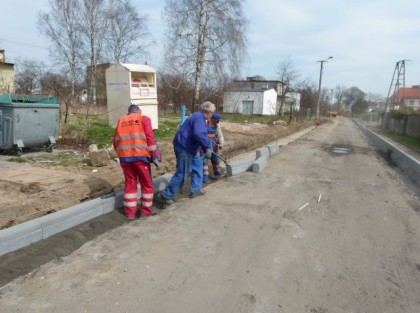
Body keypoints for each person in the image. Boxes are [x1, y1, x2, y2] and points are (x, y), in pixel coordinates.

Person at [158, 101, 215, 205]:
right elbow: (198, 133)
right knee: (182, 173)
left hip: (192, 148)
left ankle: (196, 190)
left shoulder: (200, 117)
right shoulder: (199, 117)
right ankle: (165, 195)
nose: (212, 115)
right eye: (212, 112)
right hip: (184, 147)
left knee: (198, 167)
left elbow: (201, 133)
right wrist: (207, 146)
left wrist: (204, 144)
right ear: (209, 111)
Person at [113, 104, 161, 220]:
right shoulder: (144, 119)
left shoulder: (121, 120)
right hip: (140, 158)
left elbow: (115, 141)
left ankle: (130, 214)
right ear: (139, 111)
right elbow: (150, 138)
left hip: (125, 159)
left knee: (130, 185)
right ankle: (146, 211)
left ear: (128, 112)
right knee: (147, 184)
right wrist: (154, 157)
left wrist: (121, 155)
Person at [203, 112, 225, 182]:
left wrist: (221, 143)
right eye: (217, 120)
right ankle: (205, 179)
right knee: (205, 163)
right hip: (205, 147)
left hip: (214, 146)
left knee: (216, 161)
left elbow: (220, 135)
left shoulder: (217, 126)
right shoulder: (205, 124)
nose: (218, 122)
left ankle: (217, 175)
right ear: (213, 119)